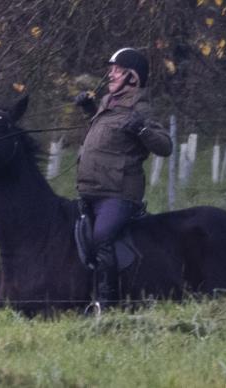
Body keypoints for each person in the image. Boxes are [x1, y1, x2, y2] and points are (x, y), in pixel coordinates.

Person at [74, 47, 173, 308]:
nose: (111, 74)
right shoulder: (108, 103)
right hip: (91, 190)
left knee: (102, 237)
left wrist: (142, 129)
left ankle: (107, 303)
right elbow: (108, 138)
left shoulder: (140, 108)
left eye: (117, 70)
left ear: (132, 77)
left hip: (118, 194)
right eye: (111, 70)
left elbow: (165, 146)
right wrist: (90, 110)